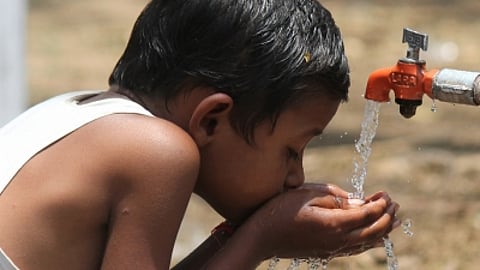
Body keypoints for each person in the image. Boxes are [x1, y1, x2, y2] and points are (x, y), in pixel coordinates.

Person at [0, 0, 400, 269]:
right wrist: (262, 237)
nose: (295, 177)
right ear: (211, 119)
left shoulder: (67, 113)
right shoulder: (158, 152)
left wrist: (241, 235)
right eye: (292, 150)